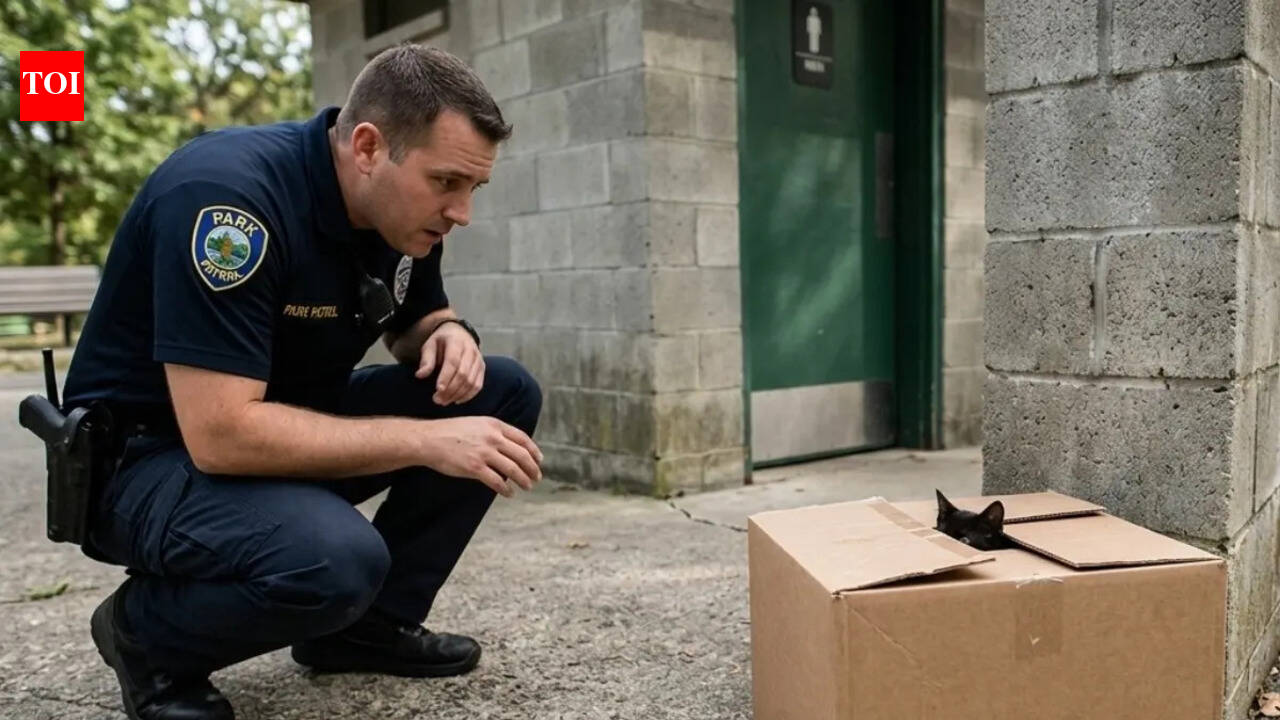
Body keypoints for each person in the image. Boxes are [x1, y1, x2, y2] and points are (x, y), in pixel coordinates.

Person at [59, 44, 543, 720]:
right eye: (447, 184)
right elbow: (221, 436)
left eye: (473, 189)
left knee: (503, 392)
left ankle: (362, 630)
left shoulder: (395, 209)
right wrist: (426, 442)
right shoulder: (227, 203)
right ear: (369, 147)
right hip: (149, 459)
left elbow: (412, 314)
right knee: (336, 560)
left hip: (279, 421)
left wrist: (447, 334)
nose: (462, 211)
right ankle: (145, 636)